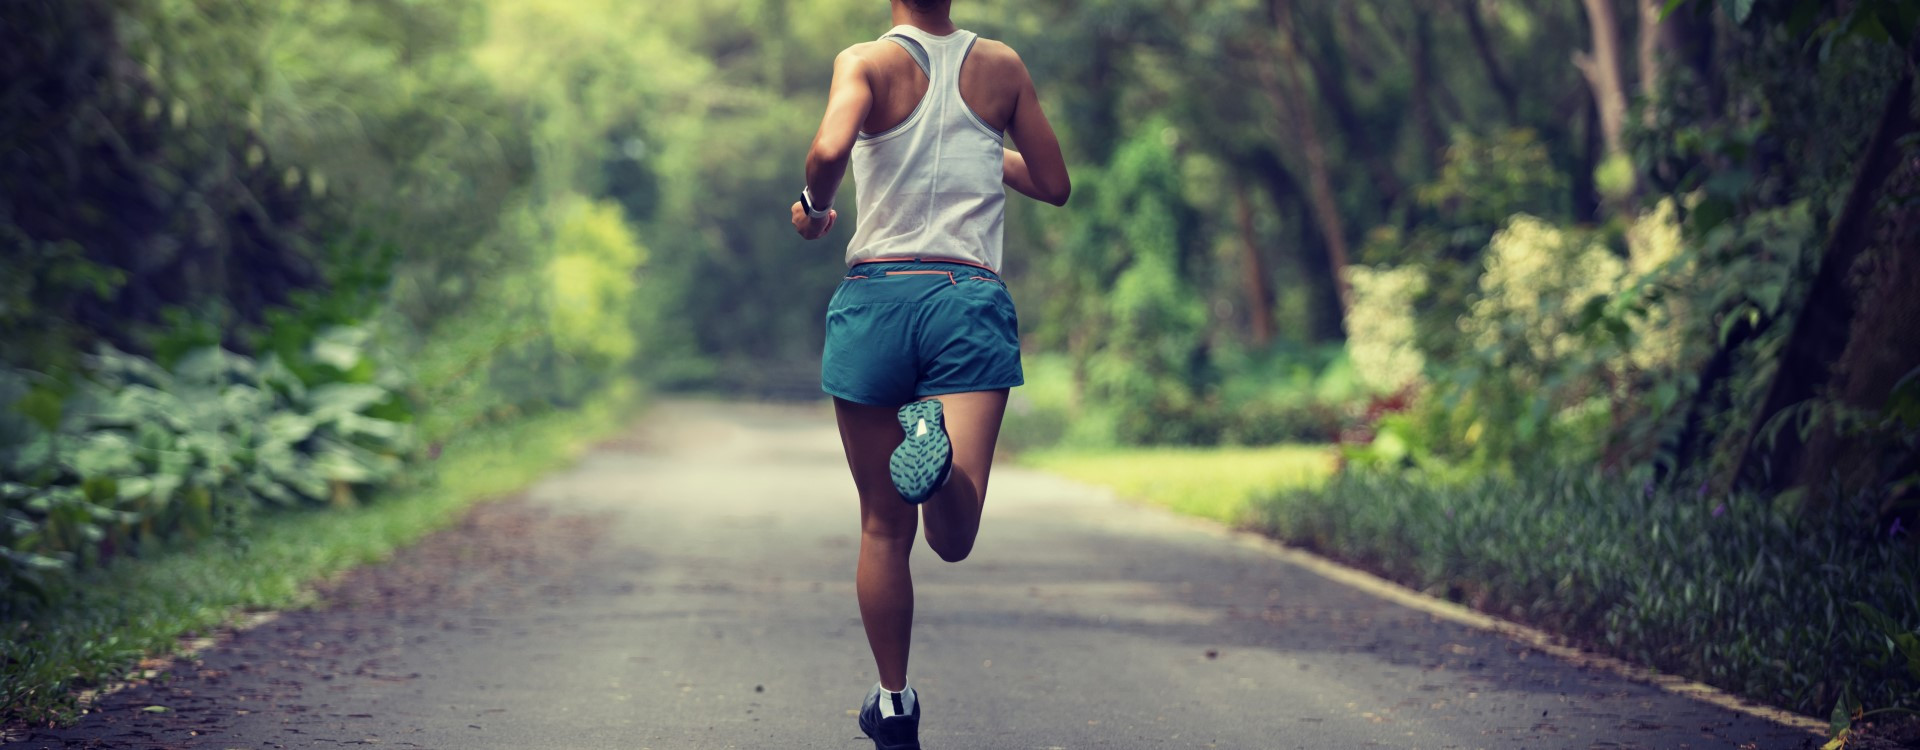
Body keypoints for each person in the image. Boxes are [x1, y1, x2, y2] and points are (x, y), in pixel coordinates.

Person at [789, 0, 1069, 747]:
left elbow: (826, 151)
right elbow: (1053, 181)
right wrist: (981, 148)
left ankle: (892, 703)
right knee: (952, 537)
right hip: (964, 301)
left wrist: (815, 208)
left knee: (884, 526)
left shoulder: (866, 62)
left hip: (876, 300)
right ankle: (936, 463)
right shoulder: (1001, 67)